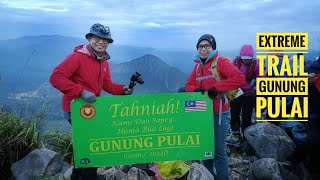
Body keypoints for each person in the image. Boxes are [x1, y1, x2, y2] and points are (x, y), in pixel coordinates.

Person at [49, 23, 133, 180]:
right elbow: (55, 77)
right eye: (97, 38)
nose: (101, 42)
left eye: (105, 40)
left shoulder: (103, 62)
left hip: (89, 110)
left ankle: (77, 175)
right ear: (89, 38)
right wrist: (81, 91)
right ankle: (89, 176)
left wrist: (122, 90)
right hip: (75, 108)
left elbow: (106, 85)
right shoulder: (77, 57)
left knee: (83, 141)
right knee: (91, 141)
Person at [185, 34, 245, 179]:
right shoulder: (198, 66)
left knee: (218, 151)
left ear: (213, 47)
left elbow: (239, 79)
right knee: (206, 149)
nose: (203, 49)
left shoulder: (221, 62)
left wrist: (217, 87)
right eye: (200, 46)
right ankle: (208, 176)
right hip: (203, 114)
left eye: (207, 46)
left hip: (220, 113)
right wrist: (195, 90)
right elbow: (188, 85)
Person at [226, 44, 259, 147]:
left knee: (246, 115)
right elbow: (229, 74)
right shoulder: (235, 62)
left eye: (248, 59)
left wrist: (253, 88)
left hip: (248, 94)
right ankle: (235, 136)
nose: (246, 61)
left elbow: (260, 78)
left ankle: (246, 137)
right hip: (236, 92)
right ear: (240, 56)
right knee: (234, 114)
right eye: (244, 58)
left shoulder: (256, 65)